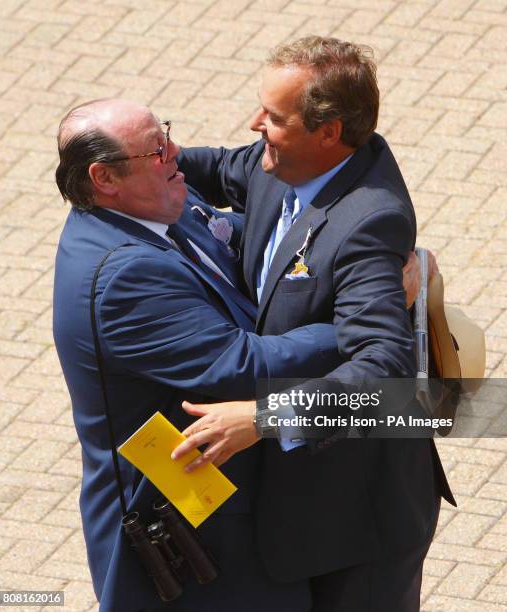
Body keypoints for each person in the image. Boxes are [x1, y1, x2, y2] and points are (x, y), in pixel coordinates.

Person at [174, 36, 456, 611]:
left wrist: (263, 418)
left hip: (358, 523)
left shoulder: (368, 225)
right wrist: (134, 161)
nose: (255, 125)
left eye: (274, 118)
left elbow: (383, 372)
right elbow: (217, 167)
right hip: (300, 507)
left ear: (329, 132)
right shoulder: (281, 159)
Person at [53, 98, 351, 612]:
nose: (176, 153)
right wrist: (357, 323)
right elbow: (245, 367)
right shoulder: (124, 279)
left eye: (164, 133)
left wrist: (349, 262)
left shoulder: (162, 204)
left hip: (235, 496)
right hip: (187, 527)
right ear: (105, 178)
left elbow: (255, 243)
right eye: (155, 149)